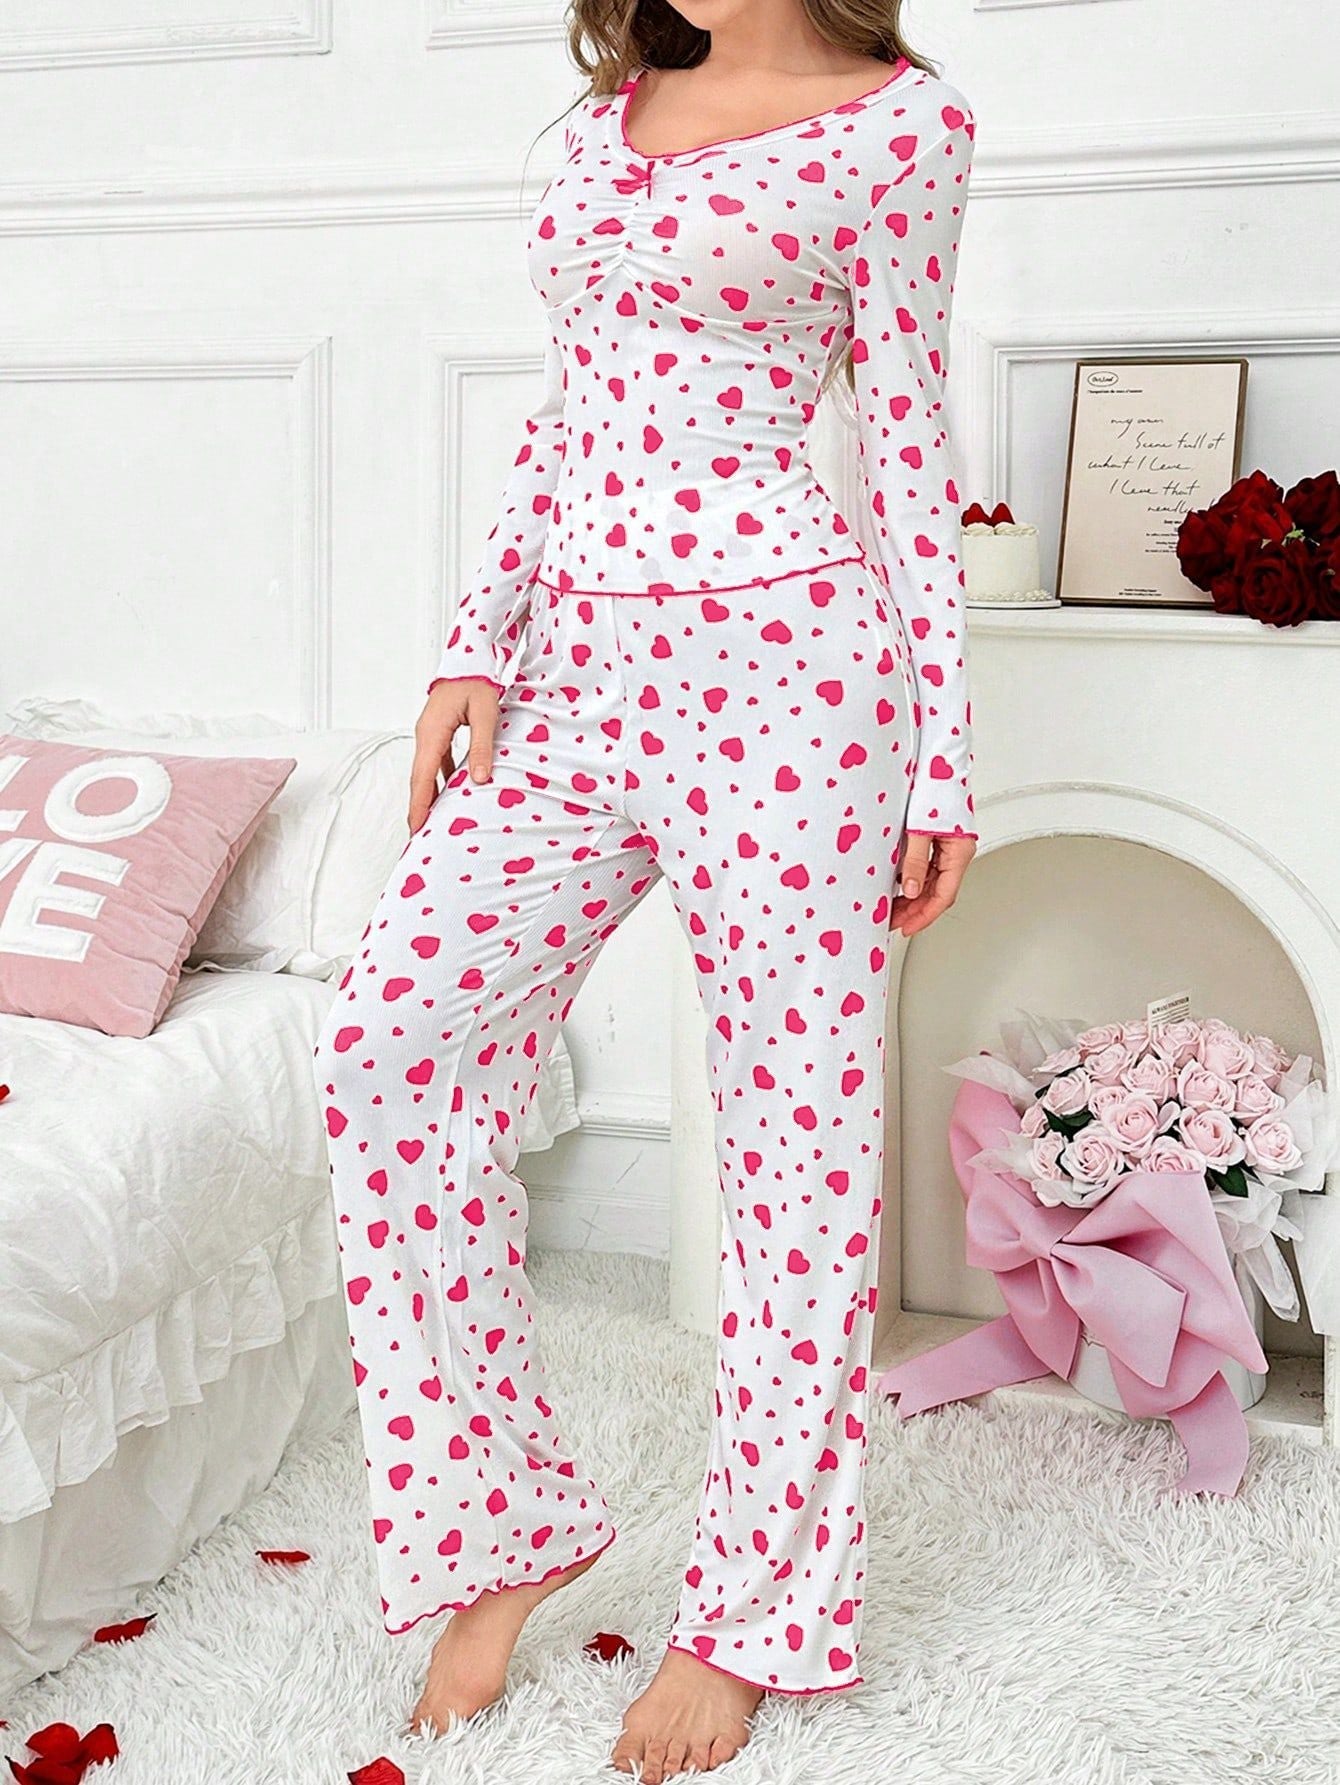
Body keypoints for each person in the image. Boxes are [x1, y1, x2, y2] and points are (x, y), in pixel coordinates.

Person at [312, 2, 977, 1777]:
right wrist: (478, 637)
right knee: (389, 1047)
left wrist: (945, 757)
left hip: (790, 673)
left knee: (793, 1145)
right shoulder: (623, 101)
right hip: (573, 675)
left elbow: (907, 442)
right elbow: (574, 402)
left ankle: (751, 1614)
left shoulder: (901, 126)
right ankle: (498, 1526)